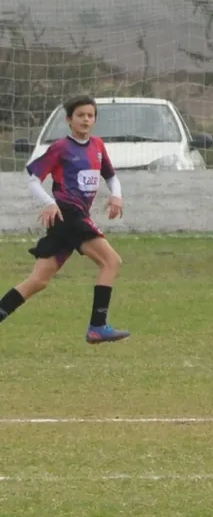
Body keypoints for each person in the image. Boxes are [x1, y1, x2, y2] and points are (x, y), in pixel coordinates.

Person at [0, 95, 130, 344]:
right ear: (69, 120)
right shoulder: (61, 148)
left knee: (38, 281)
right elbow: (33, 179)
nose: (85, 119)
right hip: (69, 215)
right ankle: (98, 327)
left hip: (68, 221)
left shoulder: (98, 146)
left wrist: (117, 196)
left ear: (95, 120)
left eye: (90, 115)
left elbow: (111, 177)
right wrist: (49, 202)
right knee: (111, 262)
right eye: (80, 115)